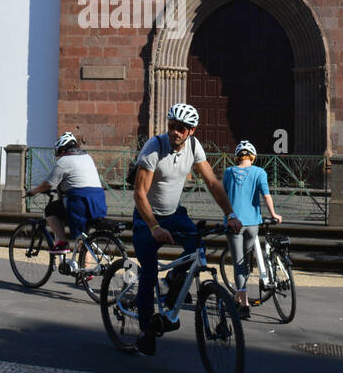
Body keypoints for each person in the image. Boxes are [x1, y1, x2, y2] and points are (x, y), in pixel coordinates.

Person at [131, 103, 240, 356]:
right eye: (172, 126)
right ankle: (146, 332)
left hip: (174, 214)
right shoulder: (154, 148)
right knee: (148, 274)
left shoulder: (193, 146)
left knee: (197, 248)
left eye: (181, 128)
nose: (175, 132)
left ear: (191, 131)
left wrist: (231, 214)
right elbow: (139, 194)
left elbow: (212, 182)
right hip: (147, 218)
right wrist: (154, 227)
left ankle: (171, 291)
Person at [222, 140, 282, 318]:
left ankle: (244, 304)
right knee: (245, 262)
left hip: (234, 224)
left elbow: (223, 196)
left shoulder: (228, 172)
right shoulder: (259, 172)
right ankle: (241, 297)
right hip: (253, 225)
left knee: (238, 264)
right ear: (252, 157)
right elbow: (266, 195)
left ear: (237, 157)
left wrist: (228, 215)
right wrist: (274, 214)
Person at [25, 131, 108, 256]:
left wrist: (33, 191)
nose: (58, 156)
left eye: (58, 153)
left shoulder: (64, 161)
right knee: (83, 238)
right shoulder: (87, 157)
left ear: (62, 150)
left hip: (80, 202)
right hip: (97, 202)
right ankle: (86, 272)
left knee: (50, 210)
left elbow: (49, 183)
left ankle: (62, 243)